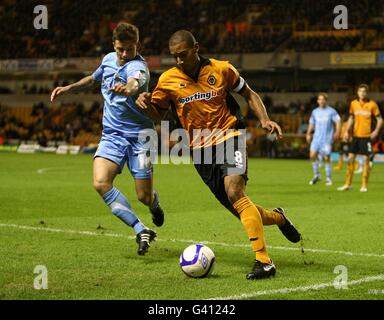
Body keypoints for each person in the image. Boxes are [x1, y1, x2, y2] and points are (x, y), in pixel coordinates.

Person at [136, 30, 301, 280]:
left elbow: (249, 94)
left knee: (235, 191)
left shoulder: (222, 69)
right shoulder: (167, 80)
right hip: (198, 149)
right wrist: (146, 104)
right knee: (239, 208)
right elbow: (157, 115)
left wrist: (265, 119)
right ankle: (278, 217)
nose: (179, 61)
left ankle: (264, 261)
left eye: (183, 55)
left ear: (196, 48)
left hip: (229, 135)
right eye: (174, 57)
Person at [51, 23, 164, 255]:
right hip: (112, 135)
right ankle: (140, 228)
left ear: (138, 46)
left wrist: (130, 89)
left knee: (143, 196)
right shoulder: (108, 59)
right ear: (114, 45)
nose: (124, 54)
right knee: (100, 182)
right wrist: (69, 87)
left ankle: (154, 205)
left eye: (129, 49)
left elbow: (135, 83)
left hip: (140, 137)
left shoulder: (139, 66)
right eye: (121, 49)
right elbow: (93, 79)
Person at [338, 84, 383, 192]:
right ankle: (348, 184)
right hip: (355, 136)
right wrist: (346, 131)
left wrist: (376, 131)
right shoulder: (353, 104)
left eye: (364, 91)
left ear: (367, 93)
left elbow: (380, 119)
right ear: (357, 93)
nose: (362, 93)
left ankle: (364, 185)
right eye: (360, 91)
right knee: (350, 159)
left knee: (366, 160)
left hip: (366, 137)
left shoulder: (372, 104)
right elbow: (351, 118)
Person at [306, 93, 341, 186]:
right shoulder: (315, 112)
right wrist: (308, 133)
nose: (321, 101)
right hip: (316, 138)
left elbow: (338, 120)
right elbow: (311, 123)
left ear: (326, 101)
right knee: (312, 155)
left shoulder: (331, 111)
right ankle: (317, 175)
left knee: (326, 157)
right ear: (317, 101)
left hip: (327, 138)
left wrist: (337, 131)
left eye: (323, 99)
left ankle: (328, 178)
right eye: (319, 99)